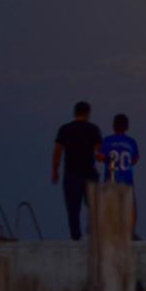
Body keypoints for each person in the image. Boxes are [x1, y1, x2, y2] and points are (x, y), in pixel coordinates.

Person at [52, 101, 102, 240]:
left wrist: (55, 171)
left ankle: (75, 236)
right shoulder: (93, 129)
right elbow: (99, 152)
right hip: (89, 174)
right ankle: (94, 233)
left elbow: (57, 151)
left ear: (75, 113)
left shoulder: (65, 129)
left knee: (73, 208)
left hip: (71, 174)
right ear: (88, 113)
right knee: (94, 205)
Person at [98, 113, 140, 236]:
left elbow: (100, 157)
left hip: (111, 178)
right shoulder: (131, 142)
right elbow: (135, 159)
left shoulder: (107, 141)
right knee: (131, 207)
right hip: (126, 178)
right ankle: (131, 233)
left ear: (113, 126)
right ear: (126, 127)